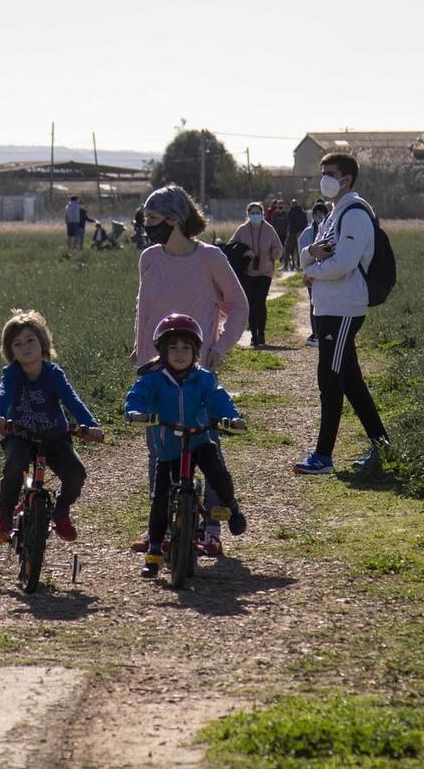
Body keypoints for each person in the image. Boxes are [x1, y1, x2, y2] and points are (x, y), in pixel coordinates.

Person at [134, 183, 246, 554]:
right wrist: (140, 351)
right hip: (156, 368)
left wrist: (220, 347)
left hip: (198, 367)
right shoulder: (149, 257)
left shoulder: (210, 258)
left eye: (152, 219)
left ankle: (212, 527)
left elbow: (238, 305)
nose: (147, 226)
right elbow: (144, 308)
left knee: (206, 442)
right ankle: (160, 528)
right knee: (158, 446)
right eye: (145, 219)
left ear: (175, 219)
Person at [124, 313, 247, 579]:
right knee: (160, 499)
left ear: (196, 351)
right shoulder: (153, 378)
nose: (180, 353)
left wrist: (231, 417)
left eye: (186, 348)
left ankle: (233, 509)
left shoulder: (203, 378)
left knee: (217, 473)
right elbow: (138, 397)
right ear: (162, 351)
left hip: (199, 440)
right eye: (173, 348)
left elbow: (218, 399)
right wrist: (135, 412)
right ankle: (155, 552)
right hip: (168, 448)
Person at [294, 153, 391, 475]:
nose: (323, 179)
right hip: (328, 306)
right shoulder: (334, 213)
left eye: (329, 173)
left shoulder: (355, 214)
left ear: (346, 178)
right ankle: (383, 446)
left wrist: (313, 271)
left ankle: (323, 455)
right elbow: (308, 252)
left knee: (330, 379)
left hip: (344, 307)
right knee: (350, 381)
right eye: (322, 172)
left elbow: (343, 264)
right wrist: (311, 260)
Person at [0, 310, 102, 544]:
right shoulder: (12, 374)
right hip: (20, 435)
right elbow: (3, 394)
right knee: (15, 465)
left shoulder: (53, 374)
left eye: (30, 340)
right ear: (11, 352)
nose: (25, 347)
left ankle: (61, 512)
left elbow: (72, 400)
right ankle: (4, 519)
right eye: (17, 344)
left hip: (54, 436)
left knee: (75, 473)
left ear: (43, 343)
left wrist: (89, 424)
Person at [228, 201, 285, 349]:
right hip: (248, 272)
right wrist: (244, 251)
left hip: (265, 272)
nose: (255, 215)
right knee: (252, 304)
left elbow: (278, 247)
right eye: (252, 213)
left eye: (258, 213)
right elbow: (230, 246)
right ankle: (254, 335)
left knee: (260, 302)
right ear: (248, 215)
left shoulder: (269, 230)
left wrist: (275, 253)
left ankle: (261, 333)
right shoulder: (242, 230)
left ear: (263, 214)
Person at [296, 200, 328, 346]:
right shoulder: (307, 233)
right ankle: (315, 333)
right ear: (313, 215)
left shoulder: (329, 231)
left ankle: (324, 332)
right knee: (313, 303)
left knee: (325, 303)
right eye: (317, 213)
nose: (320, 216)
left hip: (326, 273)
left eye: (323, 213)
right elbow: (303, 254)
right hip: (311, 274)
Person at [280, 202, 308, 271]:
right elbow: (305, 222)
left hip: (292, 233)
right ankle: (299, 265)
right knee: (299, 250)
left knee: (287, 250)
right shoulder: (302, 212)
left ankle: (285, 265)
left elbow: (288, 222)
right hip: (300, 232)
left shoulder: (290, 212)